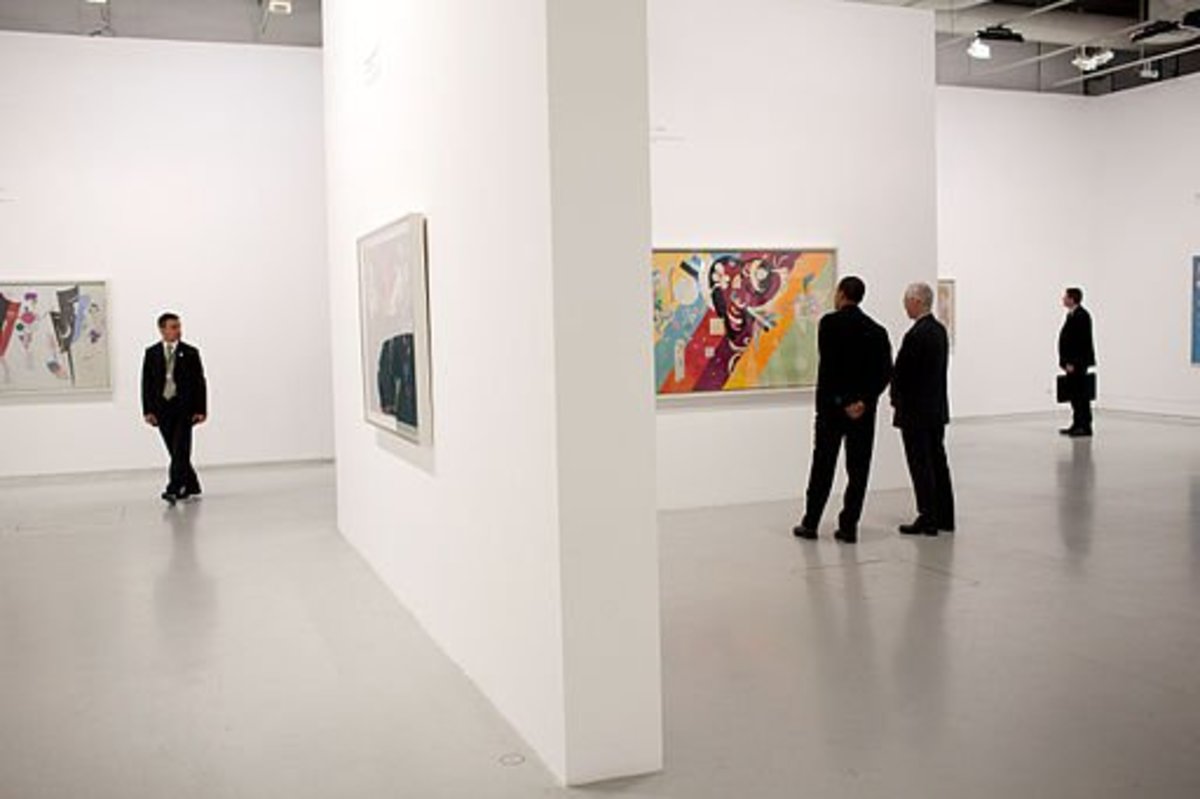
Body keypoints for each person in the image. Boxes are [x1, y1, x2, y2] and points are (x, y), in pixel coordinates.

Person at [793, 276, 893, 544]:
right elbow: (885, 372)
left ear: (841, 294)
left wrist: (843, 400)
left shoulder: (829, 324)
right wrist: (863, 401)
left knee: (822, 467)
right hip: (863, 414)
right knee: (858, 471)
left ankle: (811, 522)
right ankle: (849, 527)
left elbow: (831, 367)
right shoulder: (877, 331)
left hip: (831, 411)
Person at [892, 282, 955, 537]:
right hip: (935, 410)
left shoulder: (917, 334)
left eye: (907, 300)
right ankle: (945, 516)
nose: (904, 305)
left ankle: (928, 516)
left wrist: (896, 397)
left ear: (917, 302)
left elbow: (905, 373)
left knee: (921, 464)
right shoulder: (939, 331)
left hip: (916, 412)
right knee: (938, 462)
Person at [142, 312, 207, 504]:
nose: (178, 331)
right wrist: (148, 410)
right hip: (162, 409)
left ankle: (173, 488)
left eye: (179, 326)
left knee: (181, 447)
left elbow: (199, 382)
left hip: (184, 408)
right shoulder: (151, 353)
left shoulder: (190, 353)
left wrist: (201, 409)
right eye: (173, 327)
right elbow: (146, 383)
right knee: (175, 449)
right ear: (162, 329)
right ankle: (191, 484)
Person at [1058, 287, 1096, 438]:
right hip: (1071, 363)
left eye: (1065, 296)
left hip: (1077, 363)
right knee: (1074, 395)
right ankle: (1077, 424)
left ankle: (1085, 426)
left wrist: (1072, 362)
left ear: (1072, 299)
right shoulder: (1072, 315)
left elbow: (1081, 343)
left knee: (1081, 395)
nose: (1063, 299)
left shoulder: (1082, 316)